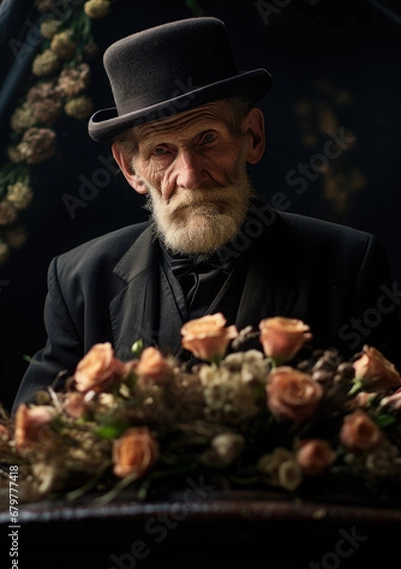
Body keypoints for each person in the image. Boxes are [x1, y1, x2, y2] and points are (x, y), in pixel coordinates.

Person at [12, 16, 401, 412]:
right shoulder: (79, 280)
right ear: (131, 169)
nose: (190, 175)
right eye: (161, 150)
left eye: (208, 139)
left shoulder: (348, 263)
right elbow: (20, 458)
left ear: (251, 135)